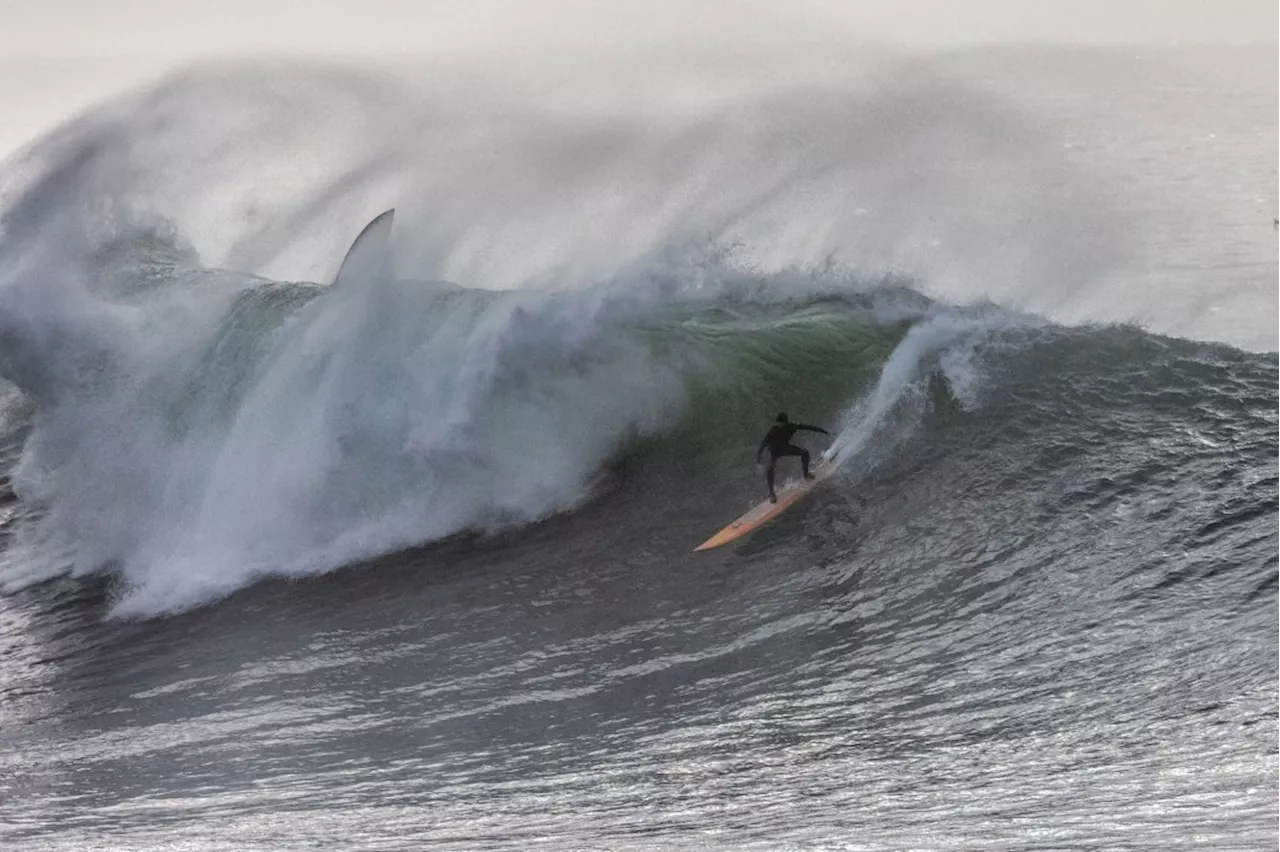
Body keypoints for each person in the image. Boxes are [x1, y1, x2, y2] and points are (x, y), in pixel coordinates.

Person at [756, 412, 830, 503]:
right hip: (773, 451)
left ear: (785, 422)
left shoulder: (792, 426)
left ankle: (806, 474)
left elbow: (809, 427)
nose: (779, 425)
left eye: (781, 423)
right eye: (778, 423)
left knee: (805, 453)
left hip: (785, 448)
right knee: (770, 468)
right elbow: (763, 444)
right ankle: (771, 493)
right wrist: (758, 459)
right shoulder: (773, 430)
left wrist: (825, 432)